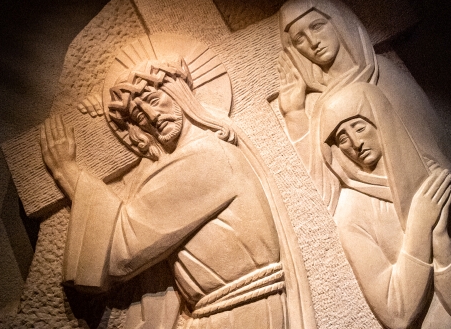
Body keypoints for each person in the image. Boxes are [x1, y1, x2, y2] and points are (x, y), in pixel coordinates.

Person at [40, 59, 316, 329]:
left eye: (154, 99)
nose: (151, 117)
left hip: (237, 315)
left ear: (179, 93)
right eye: (138, 116)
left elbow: (120, 250)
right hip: (227, 312)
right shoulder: (199, 154)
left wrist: (68, 174)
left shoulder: (203, 158)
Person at [277, 0, 451, 327]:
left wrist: (435, 227)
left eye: (317, 26)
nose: (312, 43)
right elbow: (323, 200)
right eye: (298, 40)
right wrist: (294, 115)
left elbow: (434, 158)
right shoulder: (353, 210)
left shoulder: (388, 79)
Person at [319, 82, 451, 328]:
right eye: (342, 138)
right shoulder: (351, 212)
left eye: (359, 127)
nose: (355, 143)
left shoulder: (432, 178)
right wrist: (419, 226)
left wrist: (439, 239)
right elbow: (397, 314)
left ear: (380, 119)